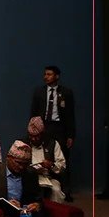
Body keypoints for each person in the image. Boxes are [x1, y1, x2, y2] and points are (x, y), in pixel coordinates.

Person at [30, 65, 75, 201]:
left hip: (60, 128)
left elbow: (70, 115)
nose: (46, 77)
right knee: (42, 154)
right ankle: (43, 187)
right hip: (44, 126)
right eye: (45, 74)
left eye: (49, 74)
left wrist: (71, 135)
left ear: (57, 76)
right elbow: (34, 112)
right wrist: (33, 128)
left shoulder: (66, 92)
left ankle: (65, 191)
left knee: (63, 159)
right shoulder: (39, 92)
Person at [0, 141, 44, 217]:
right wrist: (7, 205)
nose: (21, 167)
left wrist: (36, 205)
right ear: (8, 158)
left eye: (25, 164)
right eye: (18, 162)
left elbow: (38, 199)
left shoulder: (31, 173)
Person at [26, 116, 67, 202]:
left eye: (36, 136)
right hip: (29, 178)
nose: (33, 139)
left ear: (42, 133)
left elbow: (62, 166)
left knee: (56, 190)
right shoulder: (22, 143)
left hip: (49, 178)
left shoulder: (52, 144)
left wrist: (51, 165)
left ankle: (56, 213)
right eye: (31, 136)